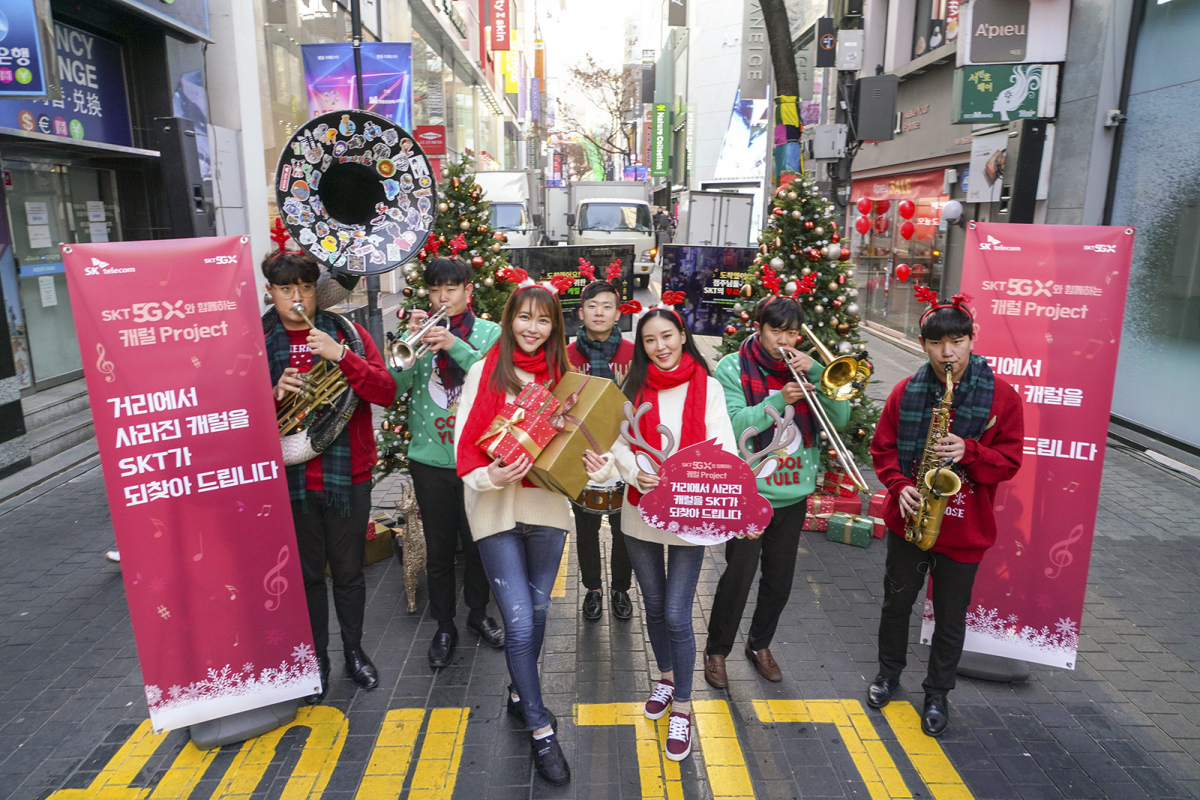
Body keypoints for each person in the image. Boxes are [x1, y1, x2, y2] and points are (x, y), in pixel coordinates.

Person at [583, 306, 738, 762]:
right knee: (651, 604)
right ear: (643, 347)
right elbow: (617, 445)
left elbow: (723, 446)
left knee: (675, 613)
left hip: (690, 515)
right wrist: (633, 472)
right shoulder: (630, 387)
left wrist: (689, 475)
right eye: (650, 340)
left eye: (667, 336)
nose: (660, 347)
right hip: (640, 511)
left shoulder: (706, 387)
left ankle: (685, 708)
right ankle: (666, 678)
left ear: (682, 335)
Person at [866, 295, 1023, 737]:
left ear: (973, 339)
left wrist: (968, 450)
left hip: (965, 529)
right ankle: (888, 674)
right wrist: (900, 486)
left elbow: (1009, 463)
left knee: (952, 619)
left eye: (957, 341)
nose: (947, 353)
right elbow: (884, 450)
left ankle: (938, 693)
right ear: (923, 344)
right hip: (910, 522)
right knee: (896, 605)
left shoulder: (1003, 397)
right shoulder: (905, 392)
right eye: (937, 343)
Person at [452, 284, 574, 786]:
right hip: (495, 506)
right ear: (509, 321)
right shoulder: (486, 371)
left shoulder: (568, 381)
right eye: (523, 318)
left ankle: (519, 693)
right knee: (520, 622)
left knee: (539, 611)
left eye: (542, 321)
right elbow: (464, 451)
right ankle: (542, 727)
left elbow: (585, 450)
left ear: (554, 329)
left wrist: (592, 461)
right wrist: (490, 477)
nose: (531, 328)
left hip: (546, 505)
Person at [265, 251, 397, 698]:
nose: (297, 298)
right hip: (291, 482)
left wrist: (342, 356)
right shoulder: (257, 345)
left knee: (349, 574)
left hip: (347, 477)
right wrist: (272, 393)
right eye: (286, 289)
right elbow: (236, 419)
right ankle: (316, 658)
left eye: (305, 287)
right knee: (306, 578)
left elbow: (386, 391)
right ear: (272, 292)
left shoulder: (348, 334)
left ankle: (355, 652)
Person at [704, 296, 850, 687]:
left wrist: (819, 374)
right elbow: (733, 425)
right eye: (776, 331)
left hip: (794, 493)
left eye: (792, 332)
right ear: (759, 327)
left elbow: (840, 419)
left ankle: (759, 643)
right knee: (738, 576)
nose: (785, 340)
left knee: (779, 580)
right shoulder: (733, 367)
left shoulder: (807, 368)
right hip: (751, 493)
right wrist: (778, 399)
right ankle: (717, 651)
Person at [390, 258, 505, 668]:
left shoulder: (490, 333)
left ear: (468, 291)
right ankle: (444, 625)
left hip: (477, 459)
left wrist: (453, 344)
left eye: (452, 289)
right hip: (429, 461)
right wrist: (408, 341)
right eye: (437, 289)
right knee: (438, 550)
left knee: (479, 545)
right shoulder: (417, 337)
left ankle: (477, 614)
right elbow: (393, 388)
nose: (443, 297)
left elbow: (494, 381)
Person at [565, 280, 635, 622]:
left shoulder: (633, 355)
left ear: (618, 313)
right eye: (592, 306)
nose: (599, 312)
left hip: (624, 456)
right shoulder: (567, 356)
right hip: (582, 457)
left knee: (625, 530)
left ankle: (621, 588)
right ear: (581, 312)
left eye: (607, 306)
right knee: (586, 530)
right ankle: (592, 589)